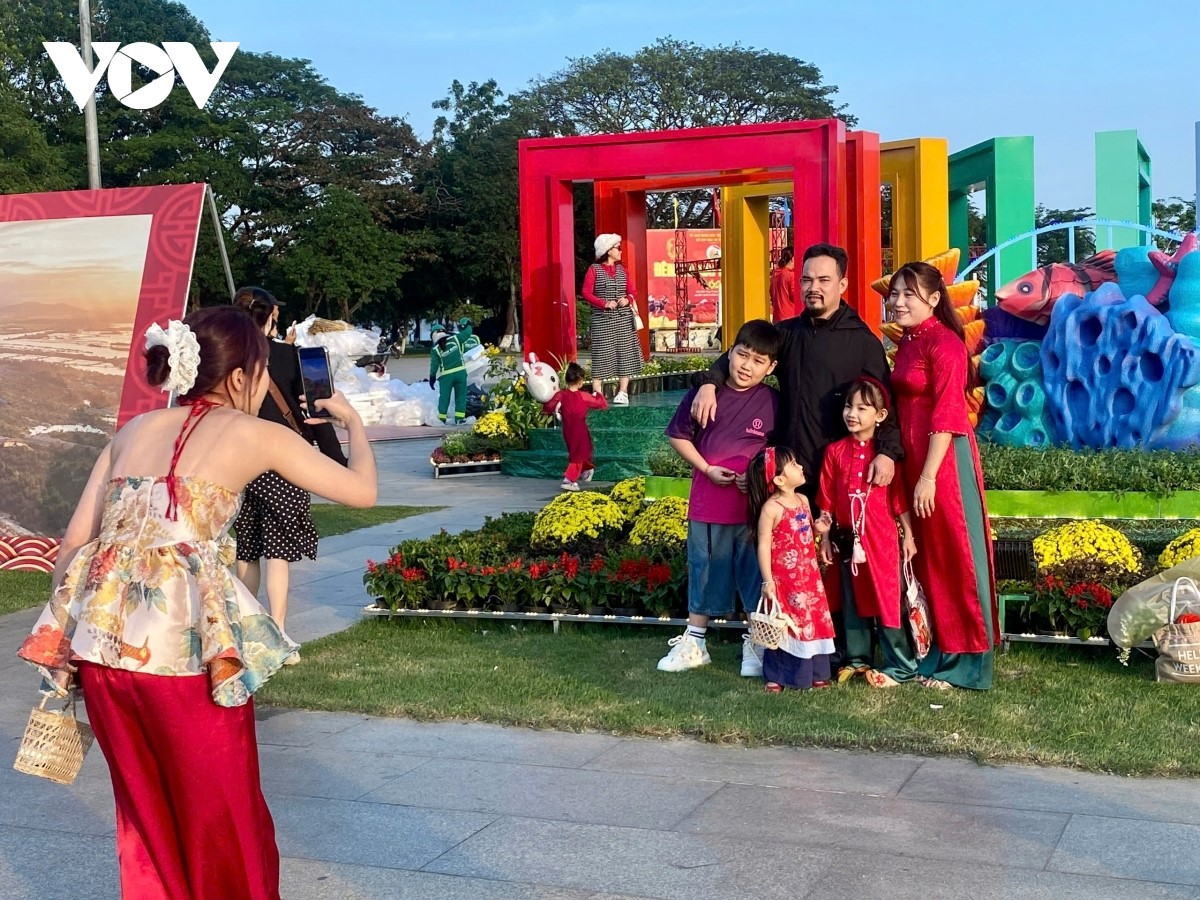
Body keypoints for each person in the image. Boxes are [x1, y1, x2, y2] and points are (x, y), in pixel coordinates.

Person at [17, 306, 377, 898]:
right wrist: (353, 425)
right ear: (239, 376)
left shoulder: (132, 431)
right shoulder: (257, 434)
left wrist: (65, 648)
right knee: (225, 818)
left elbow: (75, 542)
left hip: (105, 656)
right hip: (186, 656)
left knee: (148, 820)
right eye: (261, 369)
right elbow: (362, 491)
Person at [691, 244, 902, 502]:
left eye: (824, 280)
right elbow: (739, 355)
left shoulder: (863, 342)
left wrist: (887, 453)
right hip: (786, 477)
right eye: (807, 280)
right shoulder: (785, 334)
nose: (814, 287)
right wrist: (709, 385)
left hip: (837, 476)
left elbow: (886, 403)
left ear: (842, 285)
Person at [889, 261, 998, 690]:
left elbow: (950, 413)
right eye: (895, 293)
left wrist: (929, 476)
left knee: (956, 555)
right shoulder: (910, 341)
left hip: (943, 464)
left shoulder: (946, 343)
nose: (898, 302)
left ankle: (968, 662)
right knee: (928, 555)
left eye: (908, 294)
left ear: (934, 299)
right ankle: (937, 650)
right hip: (914, 460)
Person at [657, 319, 780, 675]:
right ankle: (695, 641)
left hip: (753, 511)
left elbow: (779, 453)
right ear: (730, 353)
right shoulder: (704, 395)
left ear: (771, 367)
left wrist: (757, 477)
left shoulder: (773, 402)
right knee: (704, 570)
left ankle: (756, 644)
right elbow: (678, 436)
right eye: (742, 355)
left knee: (756, 573)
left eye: (758, 361)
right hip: (708, 504)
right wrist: (707, 468)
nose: (747, 366)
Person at [231, 287, 346, 647]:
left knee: (247, 547)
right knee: (278, 550)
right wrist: (338, 462)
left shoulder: (228, 358)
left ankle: (245, 628)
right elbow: (317, 414)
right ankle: (277, 630)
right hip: (285, 462)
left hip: (241, 462)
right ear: (269, 318)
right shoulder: (292, 356)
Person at [815, 377, 919, 688]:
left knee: (887, 598)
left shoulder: (886, 456)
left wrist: (909, 536)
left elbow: (899, 499)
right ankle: (857, 659)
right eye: (849, 406)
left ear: (881, 415)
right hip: (847, 539)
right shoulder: (834, 452)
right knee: (852, 598)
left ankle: (902, 665)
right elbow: (827, 500)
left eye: (862, 408)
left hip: (882, 538)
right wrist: (825, 538)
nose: (852, 414)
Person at [746, 445, 835, 691]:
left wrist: (819, 528)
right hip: (785, 581)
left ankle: (817, 671)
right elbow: (763, 545)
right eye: (794, 464)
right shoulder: (771, 509)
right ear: (779, 479)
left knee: (813, 619)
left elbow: (805, 532)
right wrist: (767, 581)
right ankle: (778, 675)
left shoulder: (803, 500)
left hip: (809, 577)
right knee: (786, 624)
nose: (801, 466)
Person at [582, 233, 642, 405]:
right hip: (602, 319)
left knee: (625, 353)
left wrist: (628, 299)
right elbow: (586, 292)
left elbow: (633, 291)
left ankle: (623, 392)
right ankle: (597, 393)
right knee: (601, 353)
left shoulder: (623, 270)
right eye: (618, 248)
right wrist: (604, 303)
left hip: (623, 318)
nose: (620, 251)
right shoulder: (594, 269)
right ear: (608, 251)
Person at [542, 361, 608, 491]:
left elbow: (548, 407)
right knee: (579, 454)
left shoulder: (561, 395)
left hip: (568, 430)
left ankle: (586, 471)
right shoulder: (583, 396)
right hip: (580, 430)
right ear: (580, 381)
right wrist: (598, 392)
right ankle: (569, 479)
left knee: (580, 451)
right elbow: (601, 404)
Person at [429, 324, 468, 424]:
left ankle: (442, 419)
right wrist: (467, 324)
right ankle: (459, 419)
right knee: (461, 397)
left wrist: (432, 377)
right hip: (461, 373)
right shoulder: (455, 339)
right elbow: (467, 333)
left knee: (444, 398)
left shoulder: (435, 349)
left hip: (446, 376)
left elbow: (434, 365)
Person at [769, 246, 797, 322]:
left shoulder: (775, 274)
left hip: (777, 318)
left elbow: (771, 293)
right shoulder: (791, 275)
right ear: (793, 259)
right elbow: (795, 297)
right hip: (790, 318)